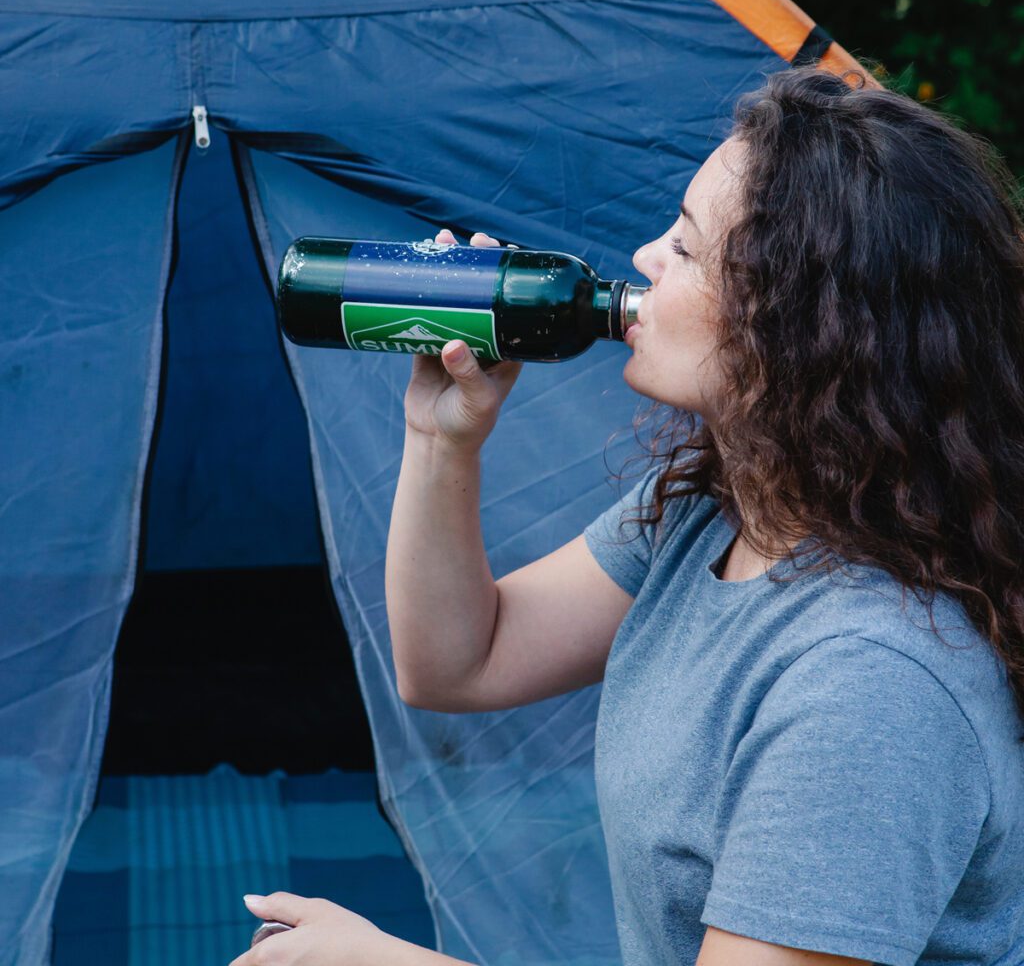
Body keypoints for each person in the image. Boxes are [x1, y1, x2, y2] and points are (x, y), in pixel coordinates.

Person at [230, 67, 1024, 965]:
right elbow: (456, 662)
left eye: (685, 249)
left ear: (801, 324)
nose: (643, 258)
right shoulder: (718, 513)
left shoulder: (871, 684)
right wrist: (442, 438)